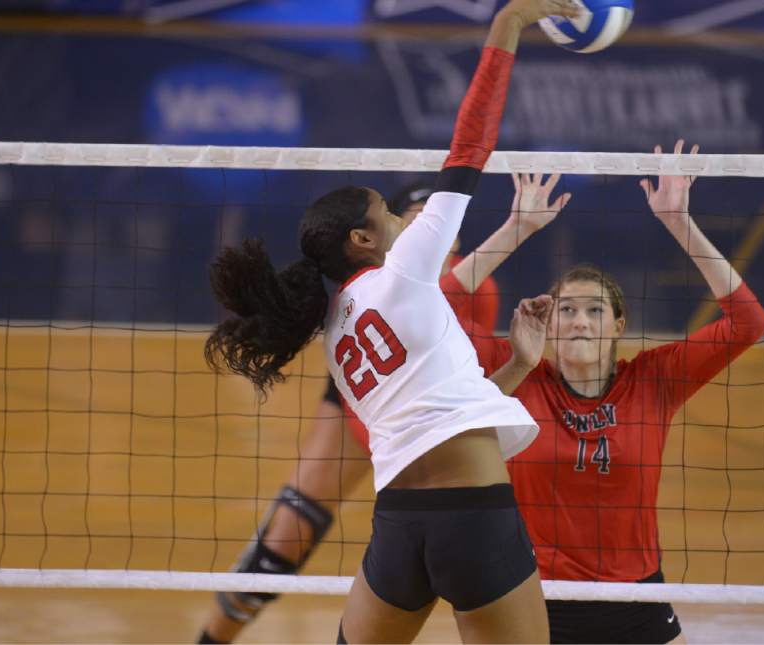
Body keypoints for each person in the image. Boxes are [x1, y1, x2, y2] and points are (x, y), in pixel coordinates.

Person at [203, 2, 583, 642]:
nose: (407, 220)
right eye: (390, 213)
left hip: (401, 526)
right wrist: (506, 27)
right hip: (476, 518)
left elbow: (435, 409)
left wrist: (518, 362)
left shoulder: (336, 334)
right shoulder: (407, 269)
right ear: (363, 238)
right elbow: (470, 146)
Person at [197, 173, 569, 644]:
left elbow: (465, 399)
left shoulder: (471, 292)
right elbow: (441, 287)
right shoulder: (396, 283)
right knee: (292, 525)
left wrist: (519, 363)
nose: (418, 229)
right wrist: (517, 229)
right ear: (369, 240)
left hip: (424, 428)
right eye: (405, 219)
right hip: (386, 415)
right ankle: (213, 637)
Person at [472, 141, 764, 644]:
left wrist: (679, 223)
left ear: (619, 325)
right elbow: (442, 302)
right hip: (536, 596)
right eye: (566, 310)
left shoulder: (653, 380)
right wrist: (515, 230)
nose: (580, 322)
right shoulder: (519, 374)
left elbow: (748, 323)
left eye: (594, 310)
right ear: (547, 323)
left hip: (637, 595)